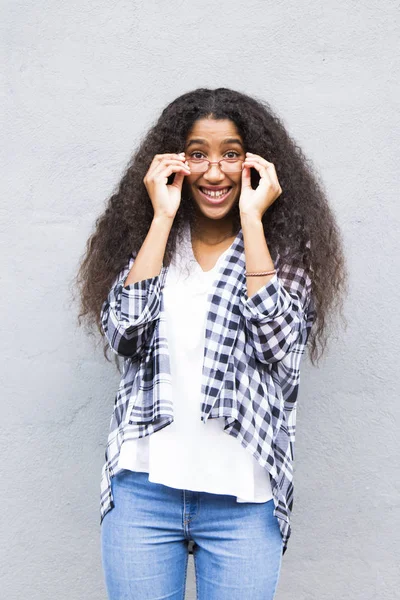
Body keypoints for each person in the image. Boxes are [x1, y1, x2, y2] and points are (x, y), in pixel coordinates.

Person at [75, 87, 347, 600]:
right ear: (175, 161)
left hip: (242, 497)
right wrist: (160, 217)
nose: (214, 171)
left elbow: (280, 344)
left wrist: (252, 219)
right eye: (197, 154)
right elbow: (124, 333)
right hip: (144, 490)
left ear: (256, 163)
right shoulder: (148, 245)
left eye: (231, 154)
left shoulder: (283, 250)